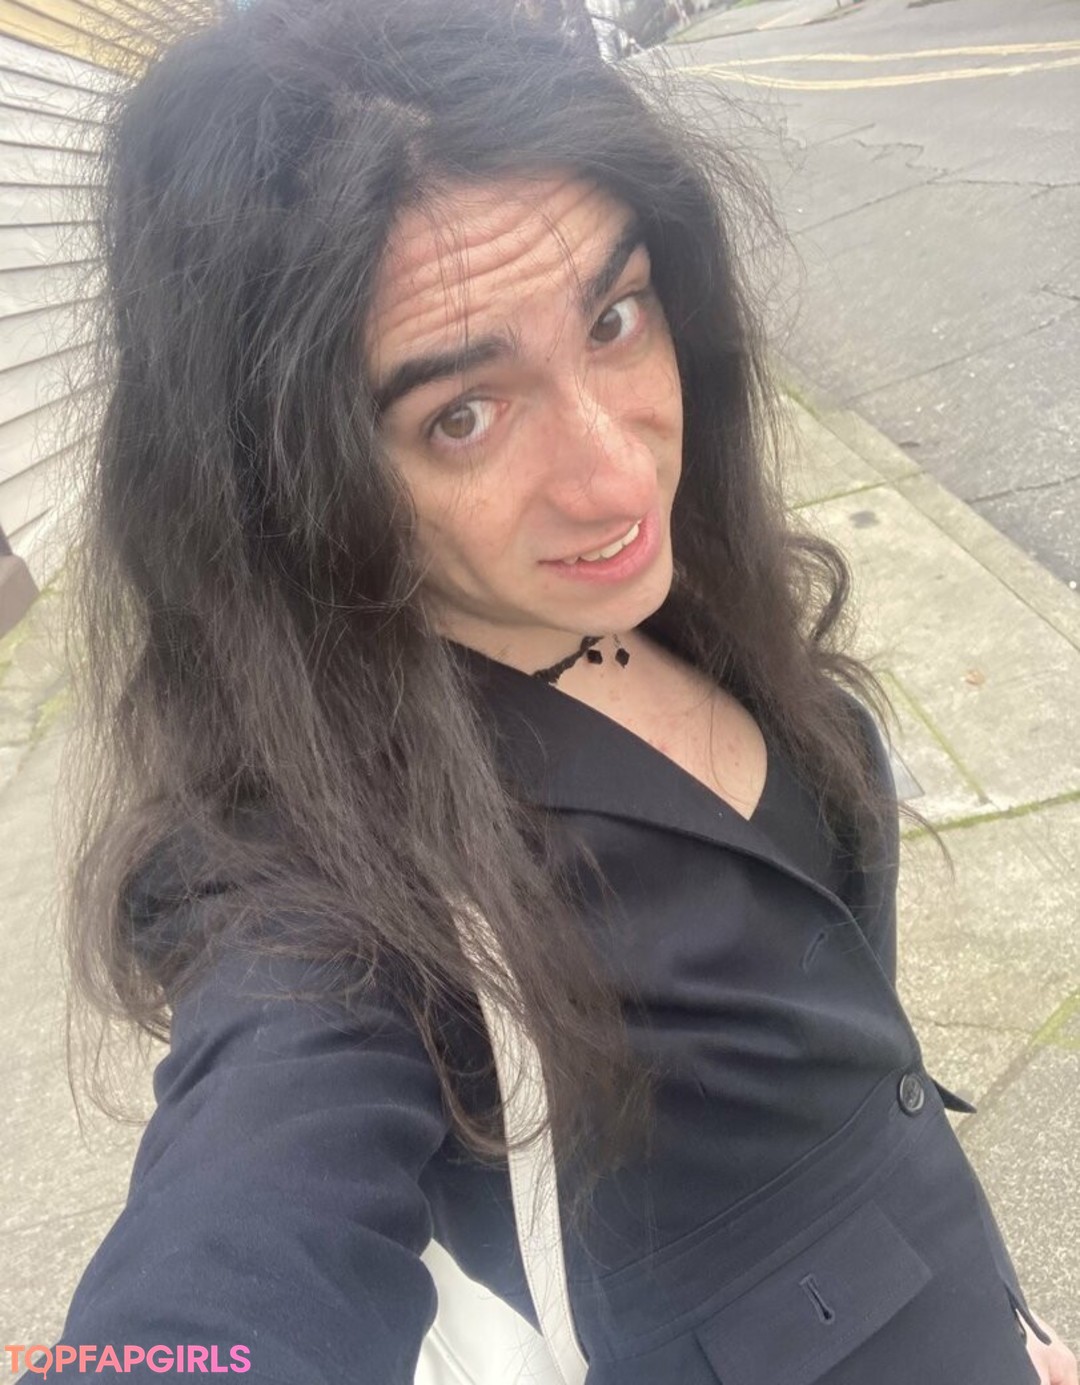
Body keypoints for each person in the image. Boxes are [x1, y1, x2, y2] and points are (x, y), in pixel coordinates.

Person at [32, 0, 1076, 1380]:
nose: (618, 471)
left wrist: (1006, 1315)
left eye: (615, 317)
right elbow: (232, 1256)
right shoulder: (322, 882)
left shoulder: (669, 590)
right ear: (288, 478)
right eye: (463, 413)